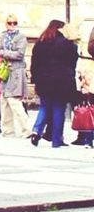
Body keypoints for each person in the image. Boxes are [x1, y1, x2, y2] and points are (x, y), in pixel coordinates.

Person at [29, 19, 78, 148]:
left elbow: (34, 64)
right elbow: (72, 64)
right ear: (60, 29)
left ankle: (36, 130)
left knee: (44, 107)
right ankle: (57, 140)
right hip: (61, 82)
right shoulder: (67, 44)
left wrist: (35, 79)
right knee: (58, 109)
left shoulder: (40, 42)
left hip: (43, 81)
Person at [0, 14, 29, 136]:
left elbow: (20, 54)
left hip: (16, 71)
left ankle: (26, 129)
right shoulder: (3, 36)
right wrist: (8, 53)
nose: (12, 25)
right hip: (5, 71)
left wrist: (5, 53)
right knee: (4, 100)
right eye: (10, 23)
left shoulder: (21, 37)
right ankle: (7, 130)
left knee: (14, 100)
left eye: (14, 23)